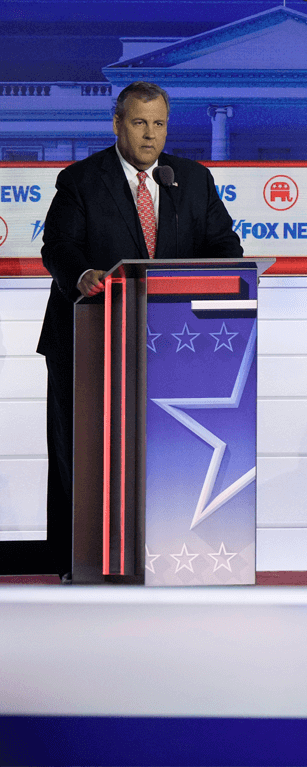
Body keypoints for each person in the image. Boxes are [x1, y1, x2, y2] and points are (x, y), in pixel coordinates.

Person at [38, 81, 243, 578]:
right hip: (88, 336)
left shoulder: (190, 180)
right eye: (139, 123)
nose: (150, 136)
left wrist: (224, 273)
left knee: (163, 453)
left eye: (159, 124)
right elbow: (57, 247)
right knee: (82, 452)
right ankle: (79, 560)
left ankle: (169, 552)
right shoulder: (82, 180)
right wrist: (83, 275)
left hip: (172, 341)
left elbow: (225, 247)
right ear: (117, 124)